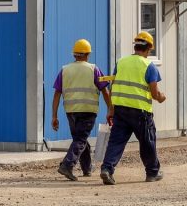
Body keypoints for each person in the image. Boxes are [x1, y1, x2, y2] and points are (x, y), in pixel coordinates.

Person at [99, 31, 166, 185]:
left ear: (136, 47)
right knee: (147, 141)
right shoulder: (149, 66)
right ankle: (152, 172)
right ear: (148, 48)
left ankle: (107, 169)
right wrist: (161, 97)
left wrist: (111, 109)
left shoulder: (121, 62)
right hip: (141, 112)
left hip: (120, 110)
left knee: (116, 142)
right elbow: (155, 93)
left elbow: (114, 86)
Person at [51, 38, 113, 181]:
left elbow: (57, 94)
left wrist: (54, 116)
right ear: (87, 54)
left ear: (75, 54)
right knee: (80, 139)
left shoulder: (64, 70)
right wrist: (111, 109)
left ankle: (86, 168)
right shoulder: (93, 69)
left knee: (79, 138)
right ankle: (67, 165)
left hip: (70, 111)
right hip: (88, 110)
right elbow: (105, 91)